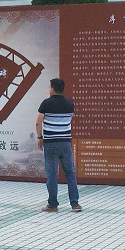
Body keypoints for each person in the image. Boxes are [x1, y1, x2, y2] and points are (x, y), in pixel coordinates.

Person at [34, 78, 77, 212]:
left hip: (50, 144)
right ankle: (75, 204)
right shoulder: (70, 104)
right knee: (70, 173)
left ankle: (53, 205)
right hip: (65, 143)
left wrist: (40, 137)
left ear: (52, 89)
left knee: (52, 175)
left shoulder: (46, 103)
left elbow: (38, 122)